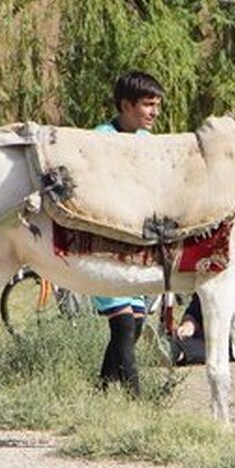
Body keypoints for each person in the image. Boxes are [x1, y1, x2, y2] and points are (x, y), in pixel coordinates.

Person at [91, 71, 164, 395]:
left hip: (136, 248)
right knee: (122, 324)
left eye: (156, 105)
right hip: (105, 246)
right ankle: (139, 405)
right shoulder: (101, 139)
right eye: (148, 105)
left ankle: (102, 392)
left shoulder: (149, 143)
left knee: (133, 325)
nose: (154, 112)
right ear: (126, 105)